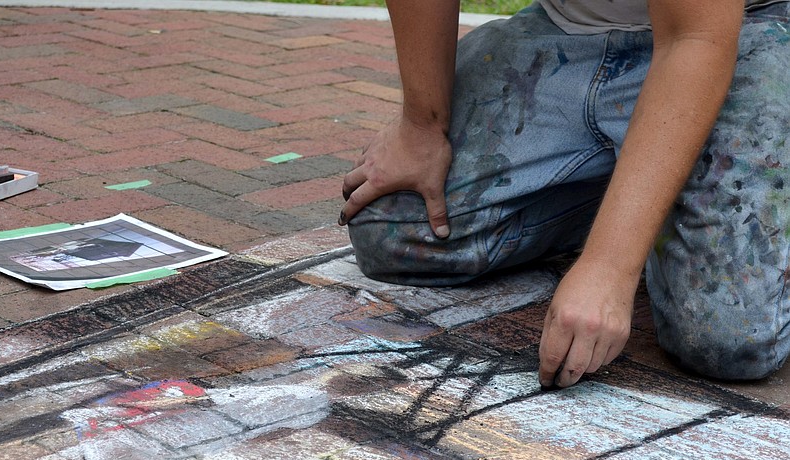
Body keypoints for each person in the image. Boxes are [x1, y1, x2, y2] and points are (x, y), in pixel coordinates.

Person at [338, 0, 790, 388]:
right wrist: (421, 125)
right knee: (393, 229)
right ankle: (637, 183)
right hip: (568, 33)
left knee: (728, 338)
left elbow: (697, 36)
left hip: (743, 32)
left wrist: (609, 265)